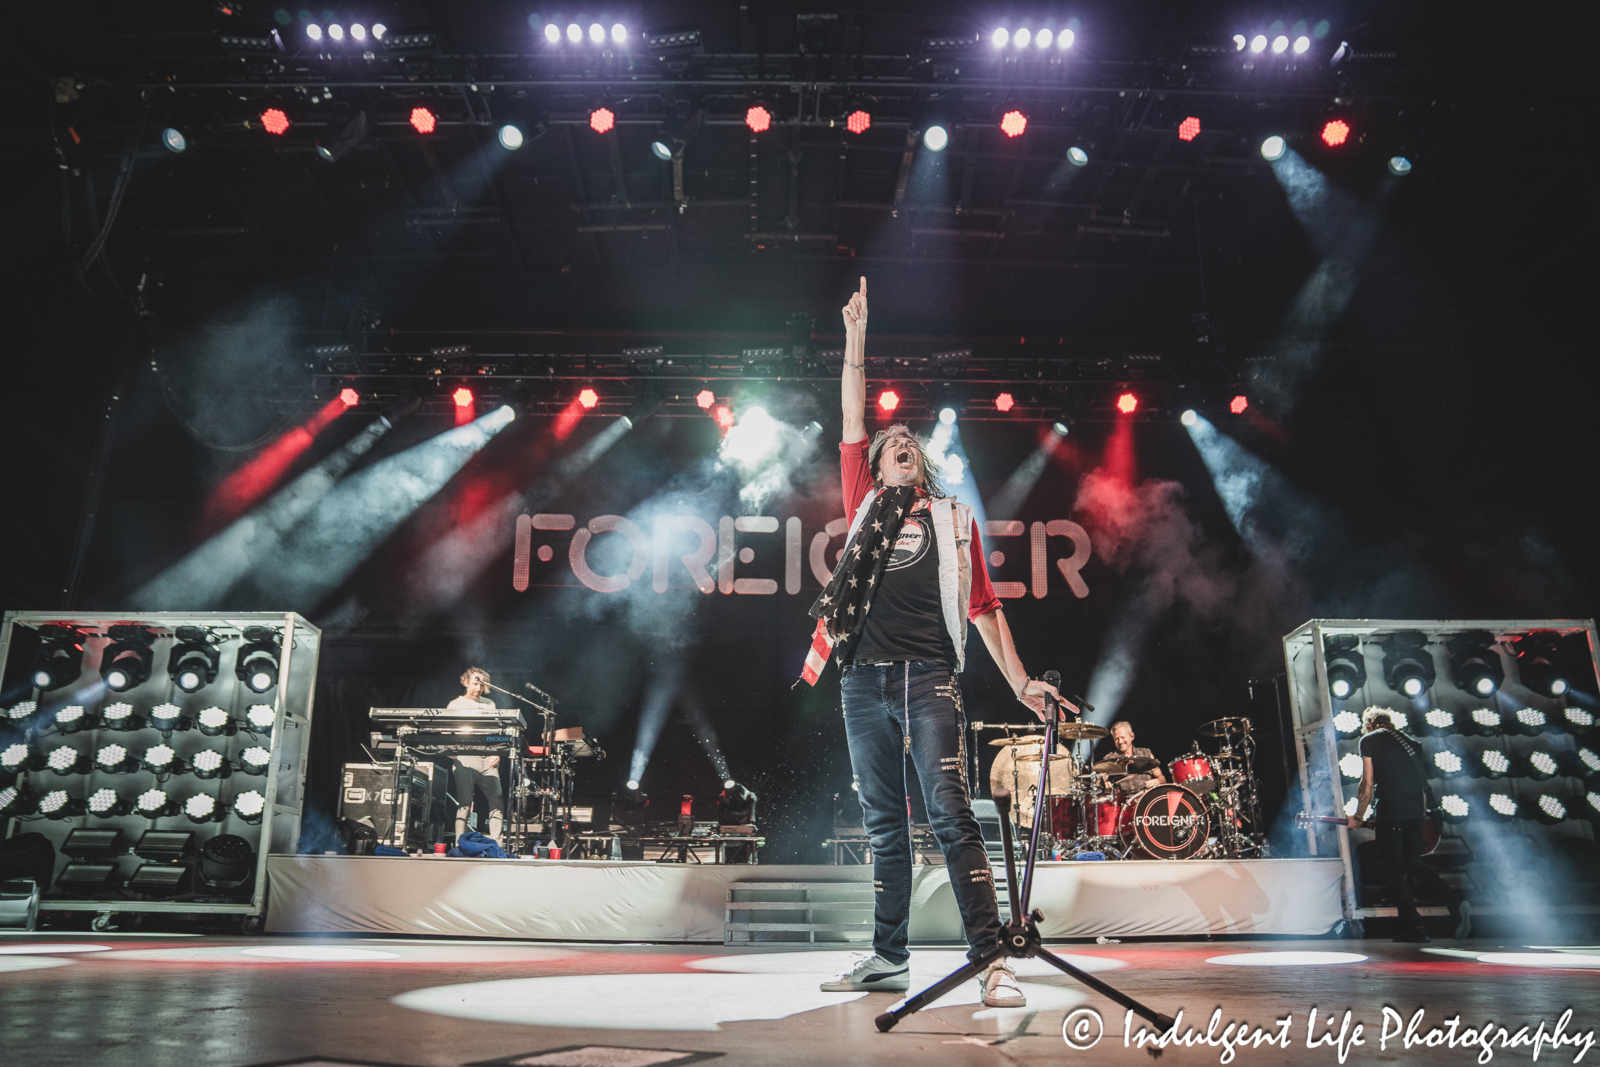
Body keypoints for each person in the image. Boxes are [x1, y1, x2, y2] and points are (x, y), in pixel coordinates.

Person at [812, 277, 1069, 1009]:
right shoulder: (862, 505)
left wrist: (1020, 682)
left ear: (917, 464)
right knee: (883, 822)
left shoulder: (952, 520)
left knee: (951, 814)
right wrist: (856, 335)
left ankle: (992, 959)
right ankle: (890, 957)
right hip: (862, 679)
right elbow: (851, 407)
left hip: (928, 678)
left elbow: (986, 609)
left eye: (903, 448)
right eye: (883, 447)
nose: (892, 450)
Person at [1348, 707, 1470, 942]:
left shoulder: (1369, 739)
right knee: (1413, 864)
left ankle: (1417, 928)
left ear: (1370, 724)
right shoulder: (1413, 744)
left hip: (1392, 809)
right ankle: (1453, 902)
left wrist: (1359, 817)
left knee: (1393, 872)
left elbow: (1368, 782)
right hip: (1416, 813)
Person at [446, 667, 504, 841]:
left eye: (481, 685)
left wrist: (497, 752)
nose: (478, 688)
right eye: (475, 684)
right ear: (466, 682)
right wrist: (450, 750)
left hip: (487, 759)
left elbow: (496, 732)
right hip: (465, 758)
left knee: (497, 801)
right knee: (464, 802)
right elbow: (444, 730)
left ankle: (497, 845)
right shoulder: (455, 704)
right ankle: (459, 845)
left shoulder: (489, 704)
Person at [1098, 721, 1166, 795]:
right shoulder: (1110, 758)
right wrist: (1103, 784)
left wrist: (1158, 781)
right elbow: (1099, 781)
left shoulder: (1145, 753)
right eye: (1116, 739)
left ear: (1132, 736)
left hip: (1147, 798)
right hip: (1126, 802)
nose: (1120, 741)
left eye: (1122, 737)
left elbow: (1162, 778)